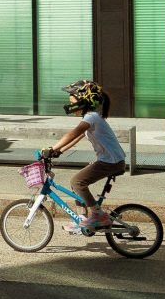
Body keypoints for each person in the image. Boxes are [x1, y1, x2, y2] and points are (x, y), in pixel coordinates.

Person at [44, 79, 126, 231]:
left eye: (72, 100)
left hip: (111, 162)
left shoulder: (91, 118)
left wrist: (51, 148)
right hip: (112, 160)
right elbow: (76, 138)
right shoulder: (92, 117)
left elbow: (72, 133)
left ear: (82, 101)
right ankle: (81, 219)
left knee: (77, 181)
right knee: (77, 183)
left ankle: (98, 215)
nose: (70, 104)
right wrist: (58, 151)